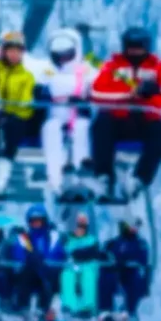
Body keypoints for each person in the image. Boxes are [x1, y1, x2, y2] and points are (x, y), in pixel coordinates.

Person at [87, 24, 161, 189]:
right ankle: (104, 174)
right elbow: (98, 93)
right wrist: (128, 92)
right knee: (101, 123)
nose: (135, 53)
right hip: (120, 121)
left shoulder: (159, 67)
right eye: (131, 49)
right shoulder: (113, 67)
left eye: (139, 49)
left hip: (146, 121)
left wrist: (154, 90)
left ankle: (141, 178)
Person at [0, 28, 42, 188]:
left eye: (18, 51)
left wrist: (9, 112)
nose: (14, 55)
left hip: (15, 118)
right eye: (11, 50)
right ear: (3, 51)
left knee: (11, 127)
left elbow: (26, 104)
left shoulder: (26, 77)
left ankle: (2, 174)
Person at [37, 27, 94, 198]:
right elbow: (38, 82)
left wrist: (86, 99)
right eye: (59, 55)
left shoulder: (87, 70)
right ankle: (55, 177)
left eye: (67, 54)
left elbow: (100, 86)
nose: (63, 59)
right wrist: (40, 92)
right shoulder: (47, 71)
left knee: (82, 129)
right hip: (56, 116)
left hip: (79, 116)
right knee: (50, 129)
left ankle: (81, 174)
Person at [4, 205, 64, 305]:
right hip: (29, 272)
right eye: (33, 221)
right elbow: (19, 254)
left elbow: (56, 253)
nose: (36, 223)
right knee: (27, 274)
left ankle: (45, 307)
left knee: (47, 278)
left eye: (38, 221)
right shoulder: (25, 237)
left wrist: (45, 264)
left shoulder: (53, 236)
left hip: (49, 271)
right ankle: (22, 306)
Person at [100, 219, 152, 316]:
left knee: (135, 281)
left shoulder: (140, 244)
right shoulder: (112, 244)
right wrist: (109, 259)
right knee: (105, 278)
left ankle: (130, 311)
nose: (134, 229)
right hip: (114, 272)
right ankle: (105, 311)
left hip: (130, 273)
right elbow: (104, 255)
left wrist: (126, 261)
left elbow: (142, 260)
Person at [57, 212, 102, 318]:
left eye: (83, 226)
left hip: (87, 267)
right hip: (72, 267)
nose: (80, 229)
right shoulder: (67, 239)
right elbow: (66, 252)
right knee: (67, 275)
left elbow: (93, 252)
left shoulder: (91, 240)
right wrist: (78, 254)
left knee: (88, 276)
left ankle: (87, 307)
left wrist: (79, 253)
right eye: (78, 226)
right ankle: (69, 305)